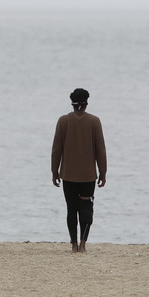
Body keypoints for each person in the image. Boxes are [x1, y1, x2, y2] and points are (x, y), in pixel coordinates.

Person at [51, 88, 107, 253]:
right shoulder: (94, 121)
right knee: (86, 208)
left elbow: (56, 149)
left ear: (72, 103)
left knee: (71, 209)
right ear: (86, 102)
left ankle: (73, 245)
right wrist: (103, 172)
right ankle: (83, 244)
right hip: (88, 175)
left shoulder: (63, 121)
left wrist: (54, 171)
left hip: (68, 175)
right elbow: (100, 150)